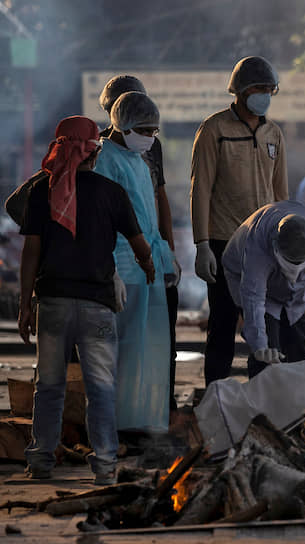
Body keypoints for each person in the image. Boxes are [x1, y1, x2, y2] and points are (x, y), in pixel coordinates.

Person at [19, 116, 154, 484]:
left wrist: (25, 305)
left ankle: (41, 461)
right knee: (101, 388)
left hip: (52, 304)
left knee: (48, 386)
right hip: (97, 305)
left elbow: (30, 252)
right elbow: (140, 244)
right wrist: (149, 266)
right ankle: (106, 465)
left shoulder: (40, 192)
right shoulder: (110, 192)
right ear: (93, 153)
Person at [191, 56, 289, 385]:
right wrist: (202, 245)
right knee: (222, 323)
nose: (265, 95)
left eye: (269, 90)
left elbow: (281, 194)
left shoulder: (273, 133)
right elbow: (200, 189)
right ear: (241, 91)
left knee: (263, 324)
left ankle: (261, 399)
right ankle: (216, 396)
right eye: (260, 89)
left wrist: (283, 241)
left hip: (262, 245)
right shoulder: (214, 130)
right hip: (222, 241)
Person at [98, 75, 181, 411]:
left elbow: (154, 207)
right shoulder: (103, 156)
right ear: (120, 119)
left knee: (151, 345)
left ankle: (148, 412)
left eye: (153, 131)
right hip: (121, 263)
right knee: (122, 348)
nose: (150, 136)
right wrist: (109, 270)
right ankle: (120, 419)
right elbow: (102, 220)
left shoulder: (141, 155)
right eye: (144, 129)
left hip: (146, 262)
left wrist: (166, 253)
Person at [221, 201, 305, 378]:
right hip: (247, 278)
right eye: (290, 262)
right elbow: (254, 301)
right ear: (276, 247)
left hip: (297, 289)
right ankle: (263, 400)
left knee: (301, 346)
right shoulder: (257, 248)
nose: (294, 270)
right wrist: (260, 346)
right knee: (268, 354)